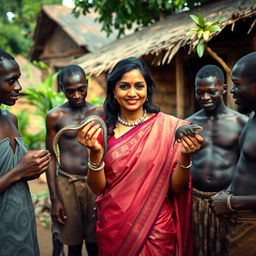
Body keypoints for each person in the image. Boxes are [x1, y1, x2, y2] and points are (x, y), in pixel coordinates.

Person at [77, 57, 204, 256]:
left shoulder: (169, 128)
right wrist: (95, 154)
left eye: (139, 86)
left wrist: (186, 156)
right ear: (114, 91)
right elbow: (97, 188)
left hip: (156, 229)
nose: (132, 93)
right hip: (115, 227)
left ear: (147, 90)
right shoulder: (101, 130)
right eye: (124, 86)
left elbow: (176, 187)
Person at [186, 65, 248, 256]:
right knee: (198, 250)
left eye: (211, 91)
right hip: (196, 202)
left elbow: (245, 165)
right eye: (199, 92)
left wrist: (229, 197)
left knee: (227, 249)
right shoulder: (188, 124)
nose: (205, 98)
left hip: (226, 203)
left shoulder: (241, 123)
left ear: (223, 88)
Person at [46, 64, 102, 256]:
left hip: (95, 184)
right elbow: (51, 156)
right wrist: (55, 199)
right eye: (70, 91)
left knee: (96, 243)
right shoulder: (55, 116)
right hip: (67, 184)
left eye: (81, 89)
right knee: (73, 244)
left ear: (87, 84)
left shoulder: (100, 113)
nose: (76, 95)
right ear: (61, 88)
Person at [0, 50, 51, 255]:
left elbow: (14, 170)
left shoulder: (10, 119)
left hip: (22, 222)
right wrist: (20, 171)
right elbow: (16, 172)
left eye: (18, 80)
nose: (19, 87)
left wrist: (32, 168)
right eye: (11, 81)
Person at [210, 52, 256, 256]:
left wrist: (231, 203)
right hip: (240, 220)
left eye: (237, 84)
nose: (233, 92)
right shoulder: (253, 117)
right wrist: (228, 191)